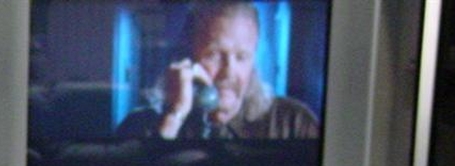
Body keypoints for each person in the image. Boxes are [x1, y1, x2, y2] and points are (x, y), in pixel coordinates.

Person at [116, 2, 320, 140]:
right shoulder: (141, 124)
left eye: (241, 57)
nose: (228, 72)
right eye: (213, 55)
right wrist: (174, 117)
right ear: (187, 58)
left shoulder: (294, 123)